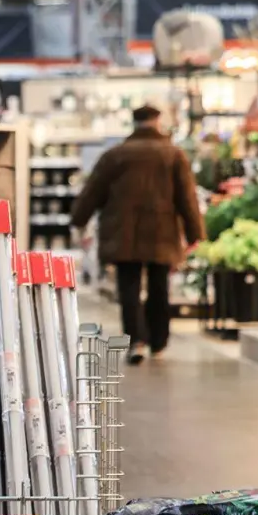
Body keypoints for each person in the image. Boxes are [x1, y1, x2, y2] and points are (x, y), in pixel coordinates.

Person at [70, 104, 204, 365]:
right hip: (162, 231)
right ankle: (159, 341)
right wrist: (194, 232)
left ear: (134, 123)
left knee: (128, 287)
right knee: (159, 285)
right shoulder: (173, 155)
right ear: (158, 121)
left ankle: (136, 342)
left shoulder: (115, 155)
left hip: (124, 231)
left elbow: (92, 191)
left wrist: (78, 220)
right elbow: (187, 198)